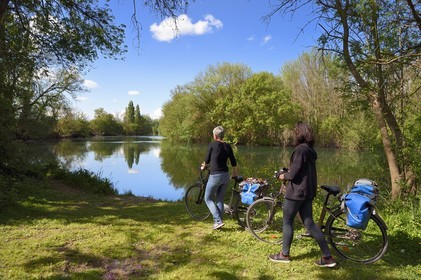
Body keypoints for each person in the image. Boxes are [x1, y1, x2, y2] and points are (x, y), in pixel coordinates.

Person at [268, 121, 337, 268]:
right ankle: (327, 257)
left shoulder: (300, 150)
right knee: (309, 223)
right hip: (307, 191)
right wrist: (289, 171)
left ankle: (284, 255)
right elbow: (300, 171)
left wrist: (282, 176)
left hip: (296, 193)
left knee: (287, 221)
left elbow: (292, 175)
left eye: (295, 131)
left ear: (299, 133)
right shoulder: (310, 151)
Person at [201, 126, 238, 230]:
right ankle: (219, 223)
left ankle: (218, 221)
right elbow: (233, 162)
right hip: (226, 176)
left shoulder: (212, 145)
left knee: (207, 198)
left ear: (215, 136)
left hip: (215, 176)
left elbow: (207, 160)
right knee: (220, 200)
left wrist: (204, 166)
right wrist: (235, 173)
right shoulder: (228, 146)